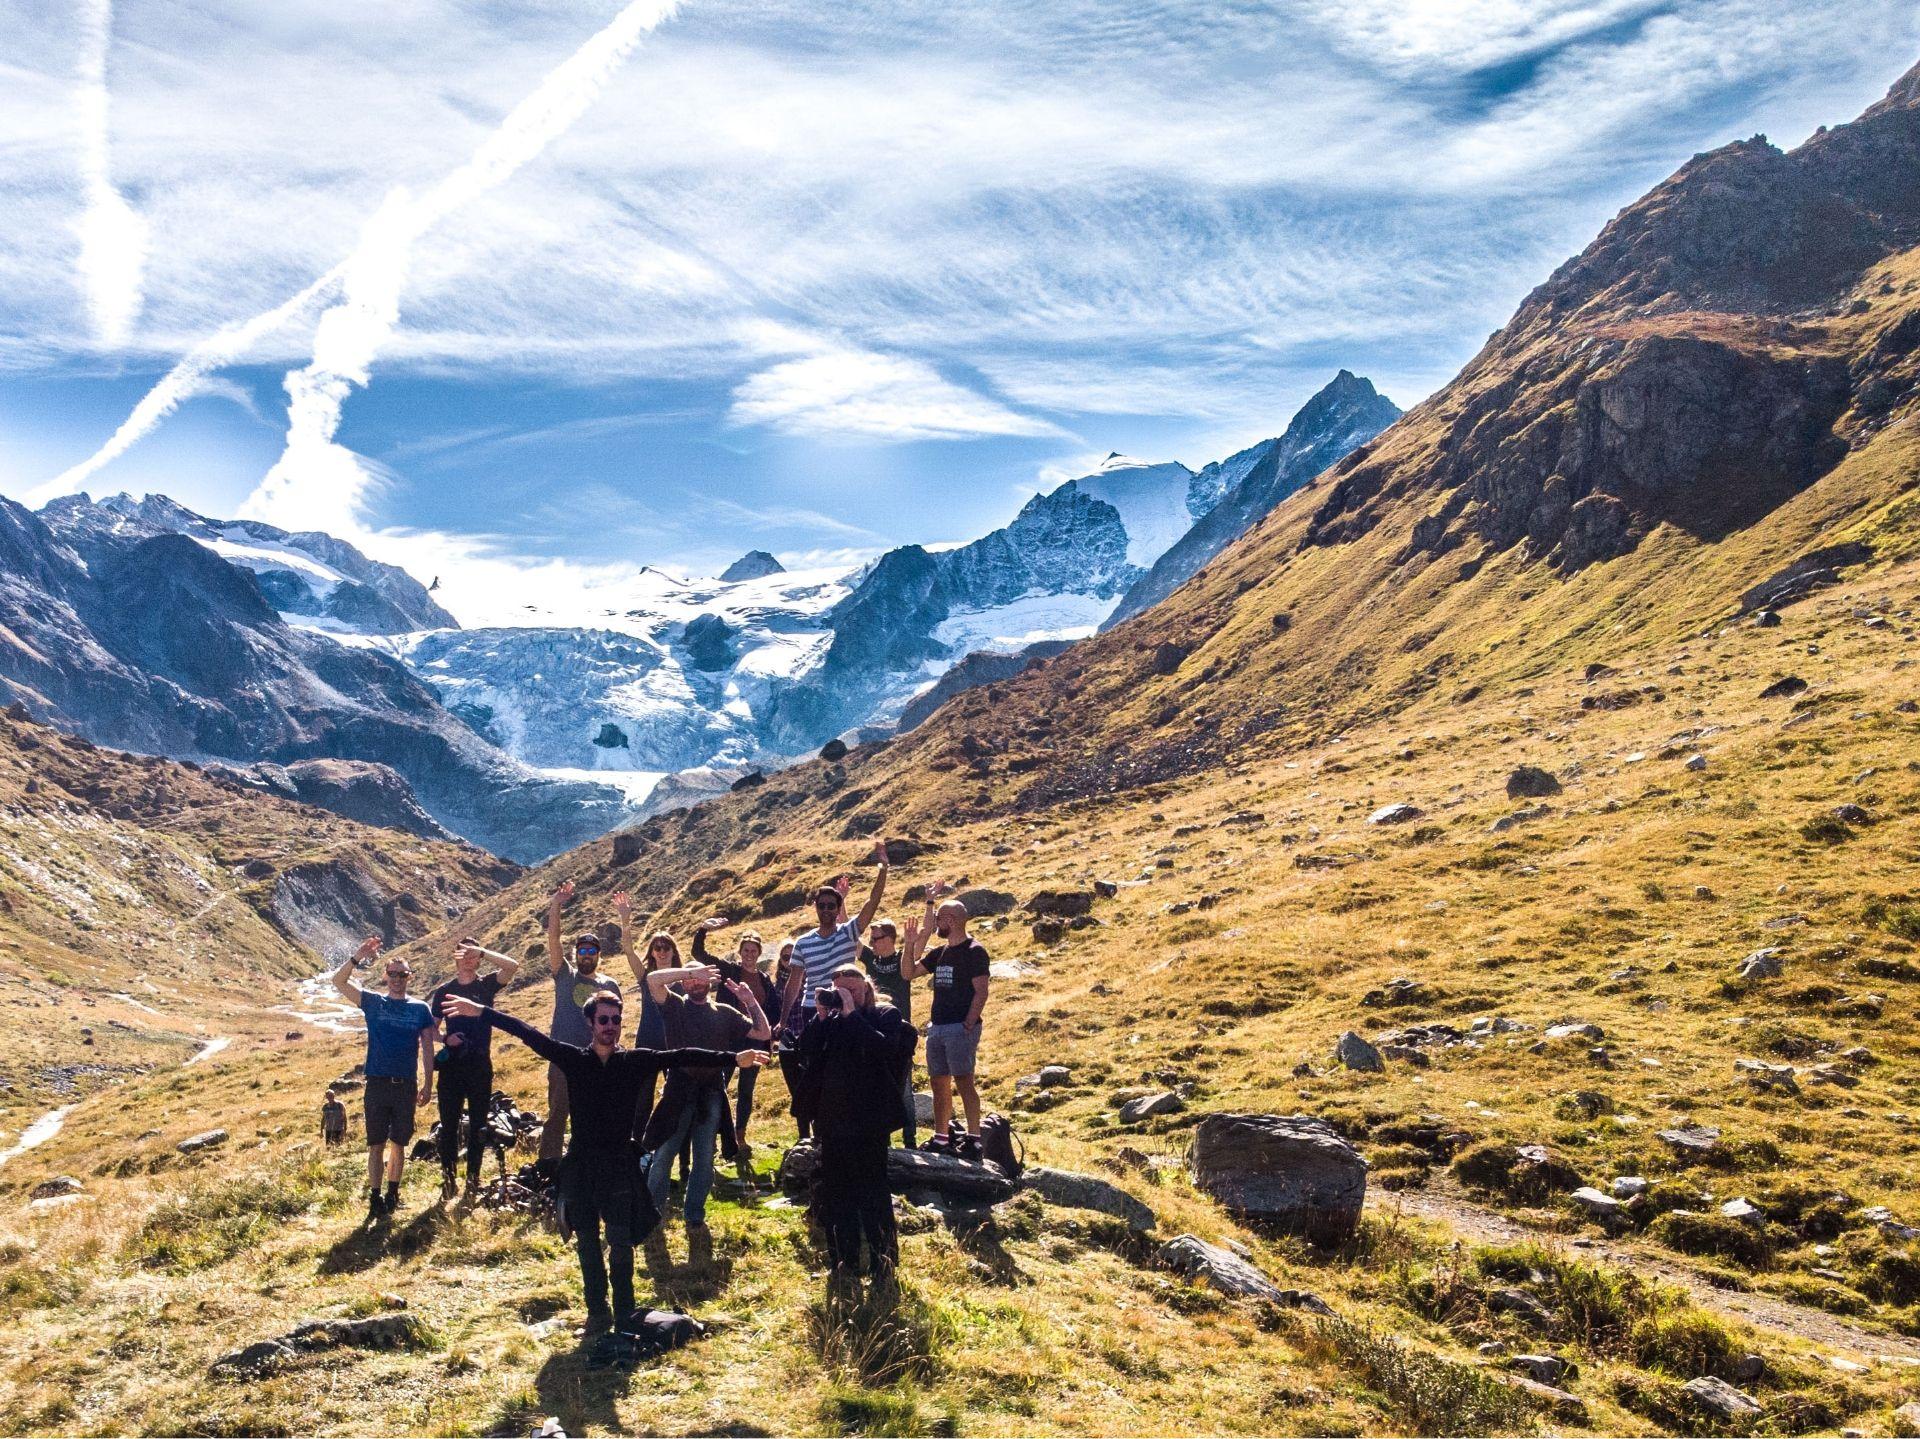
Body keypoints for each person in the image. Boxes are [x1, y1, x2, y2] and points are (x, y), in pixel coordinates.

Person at [438, 989, 768, 1334]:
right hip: (581, 1164)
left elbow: (682, 1054)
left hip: (619, 1164)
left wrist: (734, 1058)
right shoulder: (573, 1059)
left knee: (621, 1241)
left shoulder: (633, 1061)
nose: (610, 1026)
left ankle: (624, 1312)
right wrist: (483, 1012)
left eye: (616, 1020)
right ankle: (598, 1314)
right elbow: (528, 1033)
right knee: (587, 1242)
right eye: (603, 1020)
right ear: (590, 1023)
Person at [797, 963, 917, 1290]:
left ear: (865, 987)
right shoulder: (831, 1021)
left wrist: (852, 1014)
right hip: (833, 1121)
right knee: (837, 1195)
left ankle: (883, 1263)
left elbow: (884, 1048)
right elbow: (803, 1050)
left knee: (873, 1192)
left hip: (869, 1121)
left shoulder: (884, 1014)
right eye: (839, 992)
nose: (845, 997)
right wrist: (822, 1018)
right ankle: (843, 1262)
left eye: (851, 990)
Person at [640, 960, 770, 1234]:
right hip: (678, 1090)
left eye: (701, 978)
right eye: (691, 979)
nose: (696, 983)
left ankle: (695, 1217)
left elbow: (762, 1033)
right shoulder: (674, 1006)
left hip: (711, 1092)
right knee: (664, 1155)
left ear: (710, 982)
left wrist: (749, 1001)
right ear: (684, 982)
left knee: (704, 1158)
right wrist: (689, 971)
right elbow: (653, 979)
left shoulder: (725, 1012)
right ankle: (650, 1216)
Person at [330, 935, 436, 1218]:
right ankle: (375, 1196)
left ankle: (392, 1193)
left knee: (399, 1143)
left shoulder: (420, 1009)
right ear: (385, 975)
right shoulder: (373, 1003)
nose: (397, 979)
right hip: (377, 1083)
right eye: (392, 974)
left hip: (405, 1085)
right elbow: (338, 982)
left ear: (410, 977)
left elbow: (427, 1047)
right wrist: (357, 956)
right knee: (376, 1144)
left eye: (402, 974)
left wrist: (428, 1084)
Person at [428, 935, 521, 1203]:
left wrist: (483, 950)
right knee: (448, 1126)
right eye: (464, 953)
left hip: (480, 1065)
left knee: (479, 1126)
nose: (469, 958)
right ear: (455, 956)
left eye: (473, 954)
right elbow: (430, 1030)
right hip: (452, 1067)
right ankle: (448, 1181)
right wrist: (446, 1039)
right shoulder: (444, 991)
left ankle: (472, 1180)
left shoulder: (486, 985)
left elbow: (512, 967)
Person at [901, 889, 991, 1158]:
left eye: (938, 918)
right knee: (938, 1082)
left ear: (950, 920)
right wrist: (909, 944)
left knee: (964, 1080)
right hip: (937, 1027)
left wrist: (969, 1023)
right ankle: (942, 1138)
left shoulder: (975, 951)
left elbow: (981, 990)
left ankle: (974, 1139)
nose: (936, 924)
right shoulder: (939, 953)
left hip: (959, 1028)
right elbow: (908, 973)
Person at [541, 881, 622, 1164]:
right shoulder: (565, 975)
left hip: (597, 1059)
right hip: (564, 1058)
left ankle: (588, 1162)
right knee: (557, 1114)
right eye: (582, 951)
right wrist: (555, 906)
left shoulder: (609, 983)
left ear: (599, 955)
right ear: (576, 954)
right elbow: (553, 940)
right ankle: (547, 1166)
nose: (586, 956)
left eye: (592, 952)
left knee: (593, 1114)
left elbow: (616, 1020)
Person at [778, 840, 891, 1040]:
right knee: (816, 1062)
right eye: (822, 906)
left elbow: (872, 902)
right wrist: (783, 1020)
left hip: (844, 1005)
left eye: (831, 906)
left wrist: (883, 869)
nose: (826, 910)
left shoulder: (848, 932)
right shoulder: (803, 942)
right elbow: (794, 984)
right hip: (812, 1008)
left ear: (839, 909)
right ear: (816, 907)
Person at [690, 917, 779, 1150]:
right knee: (720, 1085)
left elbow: (770, 1011)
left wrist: (770, 1040)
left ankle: (740, 1137)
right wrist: (703, 929)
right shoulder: (729, 970)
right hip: (729, 1037)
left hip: (755, 1039)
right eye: (746, 950)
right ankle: (712, 1137)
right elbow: (698, 953)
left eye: (754, 950)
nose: (749, 954)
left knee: (746, 1090)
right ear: (739, 952)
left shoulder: (764, 979)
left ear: (759, 953)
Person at [612, 893, 677, 1144]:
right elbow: (628, 951)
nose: (661, 952)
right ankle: (636, 1146)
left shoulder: (682, 979)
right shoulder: (645, 977)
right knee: (642, 1101)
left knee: (674, 1097)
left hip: (674, 1045)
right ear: (652, 952)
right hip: (647, 1044)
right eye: (656, 948)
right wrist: (625, 920)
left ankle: (671, 1146)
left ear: (673, 951)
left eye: (665, 947)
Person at [859, 917, 917, 1147]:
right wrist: (841, 901)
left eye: (876, 939)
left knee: (904, 1086)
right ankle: (881, 1137)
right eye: (871, 939)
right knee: (876, 1084)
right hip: (875, 1029)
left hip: (901, 1032)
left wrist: (930, 902)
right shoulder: (871, 959)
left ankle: (910, 1139)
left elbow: (921, 939)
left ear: (890, 938)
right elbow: (851, 934)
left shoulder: (903, 957)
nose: (872, 943)